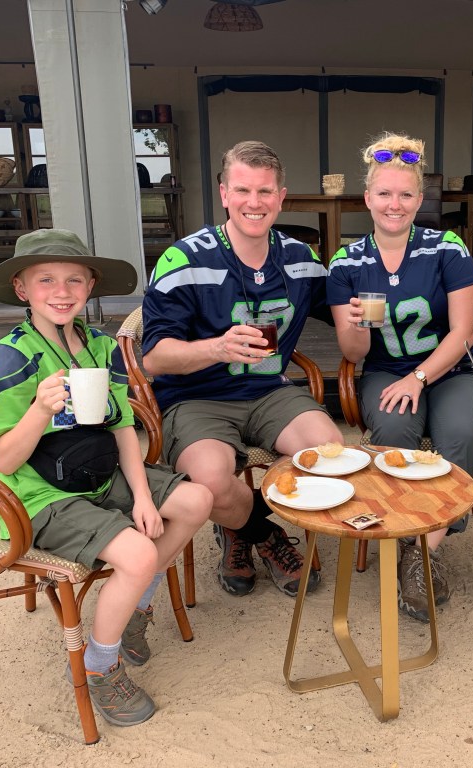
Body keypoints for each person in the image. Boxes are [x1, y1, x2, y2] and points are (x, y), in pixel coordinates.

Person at [0, 229, 213, 727]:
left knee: (196, 500)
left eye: (74, 279)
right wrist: (39, 410)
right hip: (37, 496)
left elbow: (121, 426)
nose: (62, 291)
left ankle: (134, 611)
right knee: (140, 553)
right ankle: (98, 665)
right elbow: (4, 462)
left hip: (98, 475)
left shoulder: (101, 346)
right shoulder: (12, 356)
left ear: (91, 285)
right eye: (46, 280)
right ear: (21, 288)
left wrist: (142, 496)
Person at [141, 140, 342, 598]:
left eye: (265, 191)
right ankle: (260, 532)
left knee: (330, 454)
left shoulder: (300, 258)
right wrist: (216, 347)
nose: (255, 202)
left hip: (270, 390)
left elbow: (339, 310)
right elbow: (153, 357)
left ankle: (236, 521)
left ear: (281, 197)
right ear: (224, 193)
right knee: (211, 482)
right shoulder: (184, 259)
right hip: (196, 397)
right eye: (243, 190)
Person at [326, 132, 473, 623]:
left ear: (419, 200)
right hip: (384, 370)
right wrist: (355, 326)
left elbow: (463, 332)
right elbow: (353, 354)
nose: (393, 204)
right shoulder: (346, 263)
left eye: (404, 194)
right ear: (367, 198)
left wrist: (419, 377)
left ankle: (422, 554)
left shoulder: (447, 248)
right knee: (395, 431)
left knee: (461, 432)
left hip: (449, 368)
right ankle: (404, 530)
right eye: (384, 193)